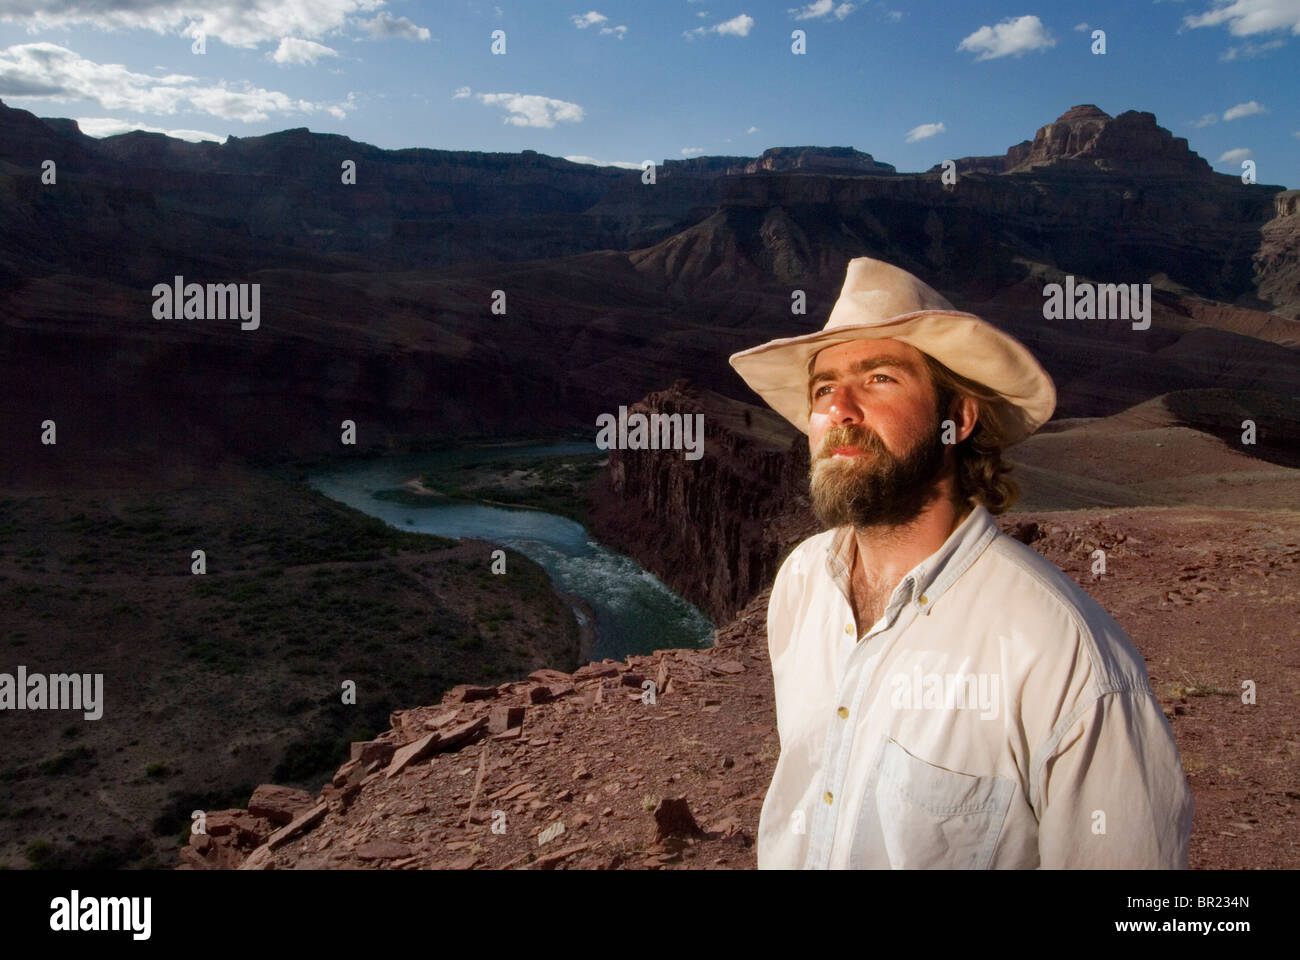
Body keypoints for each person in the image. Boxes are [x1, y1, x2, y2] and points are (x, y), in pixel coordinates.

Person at [728, 257, 1193, 869]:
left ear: (958, 419)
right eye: (822, 388)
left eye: (879, 379)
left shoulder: (1066, 658)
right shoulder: (802, 582)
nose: (838, 408)